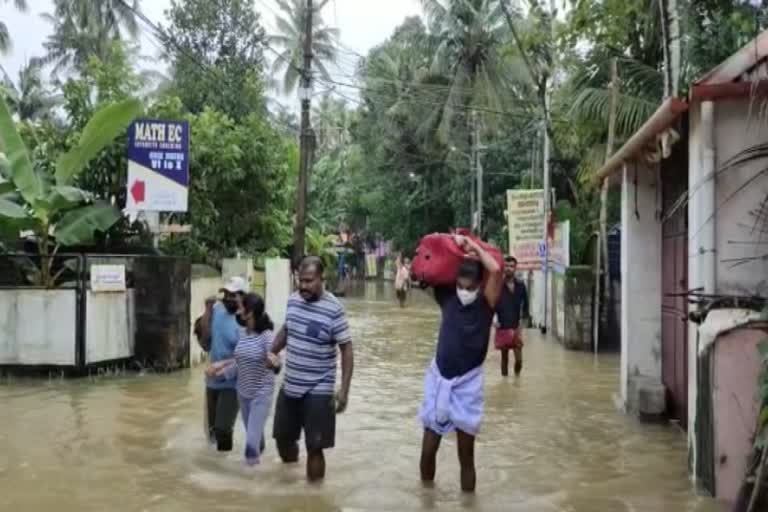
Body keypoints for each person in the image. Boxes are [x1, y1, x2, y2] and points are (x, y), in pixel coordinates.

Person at [419, 234, 502, 493]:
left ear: (479, 284)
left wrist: (473, 247)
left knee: (466, 457)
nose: (464, 291)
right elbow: (426, 272)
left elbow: (496, 269)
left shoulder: (486, 303)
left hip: (468, 384)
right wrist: (452, 246)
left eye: (470, 287)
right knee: (428, 448)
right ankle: (426, 499)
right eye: (461, 285)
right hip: (439, 379)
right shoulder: (447, 297)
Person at [267, 255, 355, 482]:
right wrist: (272, 352)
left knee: (315, 447)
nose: (303, 286)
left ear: (321, 279)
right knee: (282, 440)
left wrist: (343, 391)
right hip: (291, 384)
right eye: (300, 281)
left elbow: (347, 349)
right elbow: (288, 330)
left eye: (309, 281)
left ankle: (314, 497)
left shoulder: (334, 309)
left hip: (319, 387)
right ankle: (291, 482)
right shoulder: (293, 300)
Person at [206, 293, 280, 465]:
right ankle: (259, 469)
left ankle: (250, 484)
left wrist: (275, 364)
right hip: (243, 394)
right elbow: (240, 364)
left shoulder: (267, 336)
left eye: (241, 308)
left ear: (250, 312)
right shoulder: (243, 334)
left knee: (250, 446)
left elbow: (276, 362)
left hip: (261, 395)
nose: (238, 311)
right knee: (254, 439)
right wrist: (221, 373)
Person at [198, 276, 247, 452]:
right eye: (225, 293)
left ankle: (226, 469)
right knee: (211, 432)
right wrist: (208, 310)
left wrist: (221, 367)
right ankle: (214, 467)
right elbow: (205, 340)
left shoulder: (246, 320)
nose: (227, 298)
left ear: (242, 296)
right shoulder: (217, 310)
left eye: (232, 294)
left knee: (223, 429)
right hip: (212, 381)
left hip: (234, 383)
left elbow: (248, 356)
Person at [494, 256, 530, 377]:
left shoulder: (521, 285)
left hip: (516, 326)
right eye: (506, 266)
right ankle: (505, 382)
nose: (508, 268)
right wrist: (494, 320)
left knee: (519, 359)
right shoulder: (498, 285)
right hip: (503, 325)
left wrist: (523, 323)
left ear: (515, 268)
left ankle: (516, 378)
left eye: (511, 266)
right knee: (504, 358)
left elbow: (526, 304)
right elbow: (491, 304)